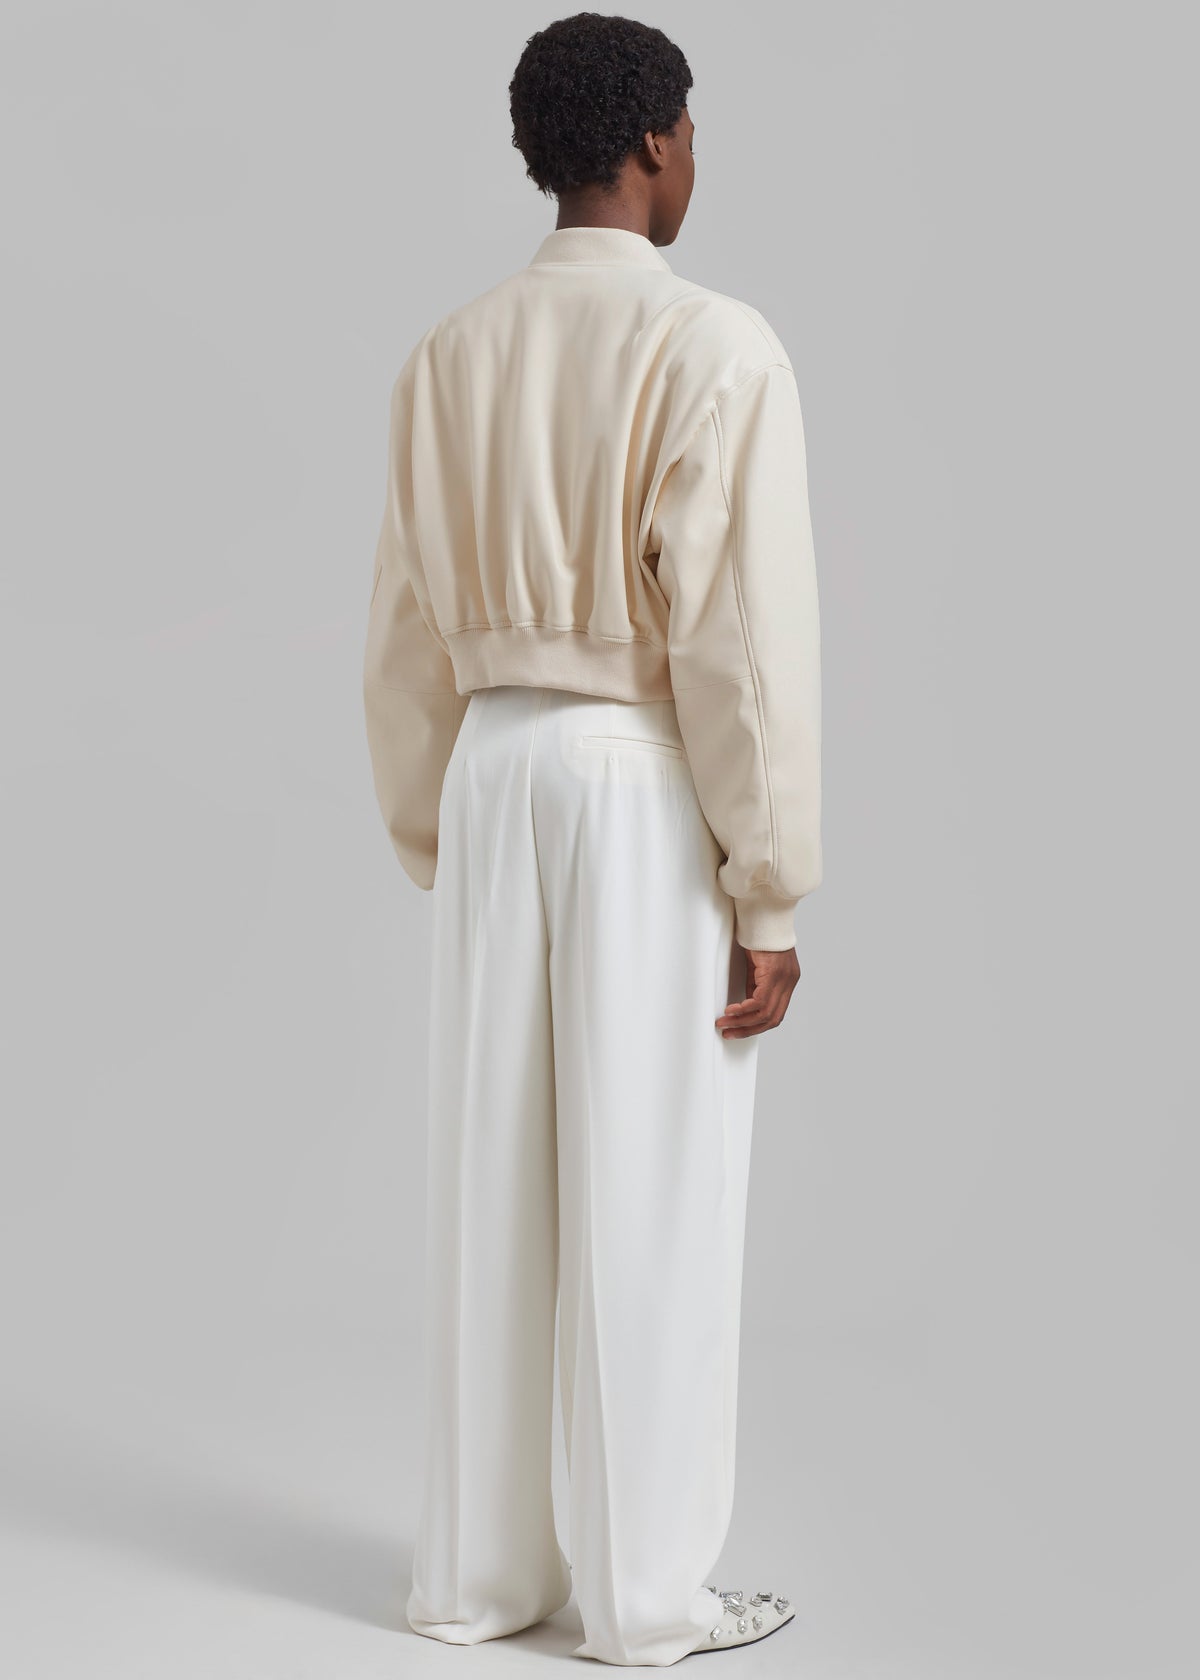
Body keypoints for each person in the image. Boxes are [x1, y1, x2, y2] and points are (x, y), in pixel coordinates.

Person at [362, 11, 821, 1668]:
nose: (697, 159)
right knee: (655, 1182)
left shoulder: (449, 356)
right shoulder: (714, 346)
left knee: (494, 1178)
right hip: (637, 770)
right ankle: (646, 1600)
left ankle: (477, 1580)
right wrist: (769, 886)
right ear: (654, 140)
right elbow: (739, 644)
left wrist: (435, 823)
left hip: (495, 765)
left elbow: (404, 630)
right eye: (692, 133)